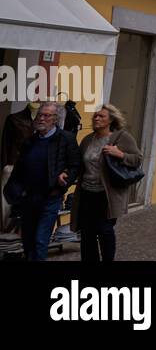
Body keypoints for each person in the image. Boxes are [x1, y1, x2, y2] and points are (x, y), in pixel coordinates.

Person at [5, 102, 80, 260]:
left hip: (50, 198)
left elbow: (75, 165)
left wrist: (65, 177)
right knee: (28, 241)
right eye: (40, 115)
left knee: (40, 240)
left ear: (55, 119)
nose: (41, 118)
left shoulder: (65, 139)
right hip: (29, 198)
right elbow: (19, 169)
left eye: (47, 115)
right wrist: (16, 191)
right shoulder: (30, 141)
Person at [72, 104, 142, 262]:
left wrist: (120, 154)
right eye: (95, 116)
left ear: (111, 120)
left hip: (107, 194)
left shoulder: (121, 137)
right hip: (86, 192)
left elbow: (137, 159)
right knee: (87, 232)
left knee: (104, 230)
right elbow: (79, 164)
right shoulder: (87, 140)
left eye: (101, 116)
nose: (96, 118)